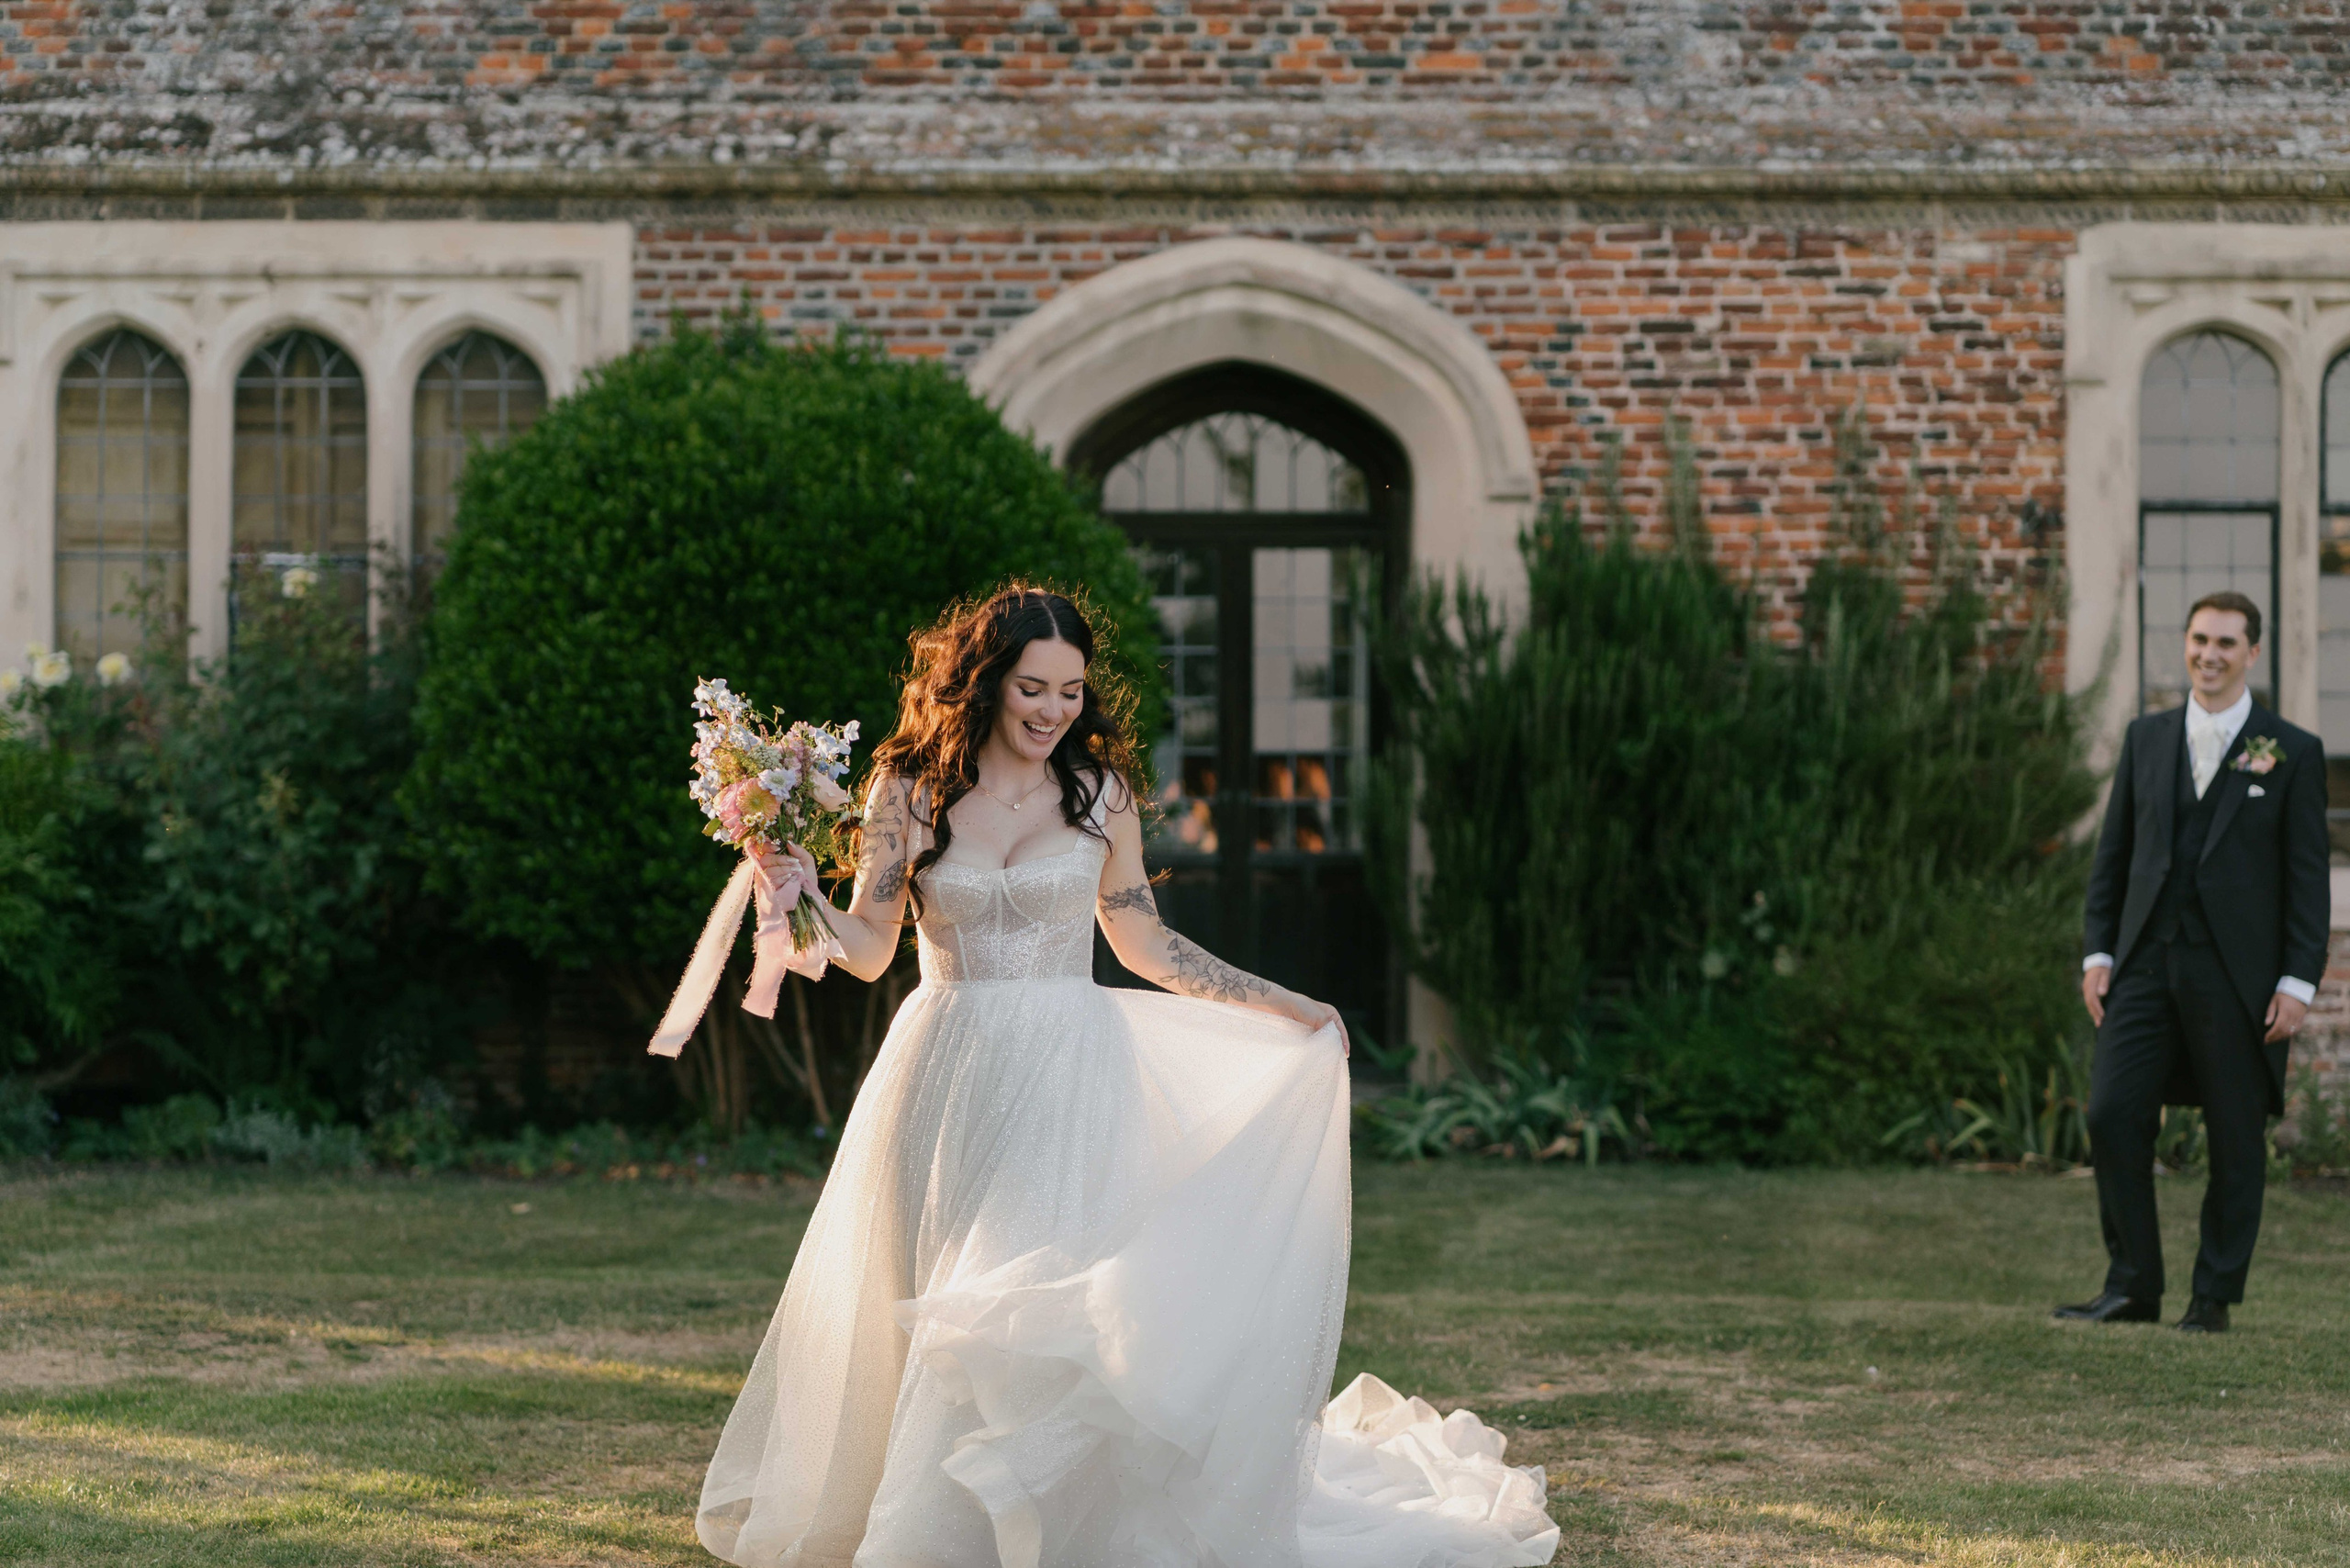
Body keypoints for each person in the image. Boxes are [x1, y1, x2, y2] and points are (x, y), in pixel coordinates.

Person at [695, 586, 1559, 1568]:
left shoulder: (1098, 793)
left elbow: (1141, 939)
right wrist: (794, 889)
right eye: (1032, 687)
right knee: (931, 1293)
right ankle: (939, 1521)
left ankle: (1051, 1532)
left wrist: (1279, 1001)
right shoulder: (908, 788)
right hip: (944, 1072)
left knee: (1027, 1296)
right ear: (984, 682)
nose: (1053, 709)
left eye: (1069, 689)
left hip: (1069, 1076)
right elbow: (863, 947)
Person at [2065, 589, 2329, 1334]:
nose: (2209, 655)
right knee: (2113, 1112)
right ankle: (2132, 1284)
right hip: (2146, 964)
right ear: (2185, 643)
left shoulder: (2293, 752)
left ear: (2252, 652)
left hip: (2238, 977)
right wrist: (2098, 952)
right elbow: (2113, 858)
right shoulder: (2146, 738)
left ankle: (2212, 1299)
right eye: (2199, 639)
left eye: (2226, 643)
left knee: (2236, 1137)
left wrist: (2297, 982)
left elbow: (2308, 883)